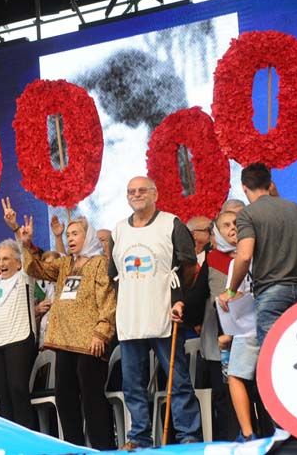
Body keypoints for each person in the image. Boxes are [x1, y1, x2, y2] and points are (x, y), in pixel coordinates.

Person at [110, 176, 201, 449]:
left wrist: (178, 298)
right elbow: (114, 274)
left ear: (155, 193)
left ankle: (187, 435)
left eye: (142, 190)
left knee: (178, 379)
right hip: (130, 318)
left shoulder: (171, 223)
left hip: (164, 314)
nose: (136, 195)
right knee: (132, 384)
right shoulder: (118, 230)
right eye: (131, 191)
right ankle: (138, 437)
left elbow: (189, 266)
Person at [20, 213, 116, 450]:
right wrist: (27, 244)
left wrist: (101, 332)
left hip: (89, 341)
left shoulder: (99, 263)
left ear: (88, 235)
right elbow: (36, 268)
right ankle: (74, 447)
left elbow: (108, 300)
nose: (71, 238)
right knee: (65, 399)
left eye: (76, 234)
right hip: (64, 341)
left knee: (92, 398)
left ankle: (102, 448)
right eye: (68, 235)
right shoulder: (65, 264)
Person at [224, 163, 297, 345]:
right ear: (270, 184)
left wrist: (231, 290)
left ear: (244, 188)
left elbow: (244, 256)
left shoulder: (247, 214)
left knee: (273, 354)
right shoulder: (294, 208)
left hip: (270, 292)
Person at [0, 239, 38, 430]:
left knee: (18, 391)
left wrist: (17, 231)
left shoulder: (25, 277)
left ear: (18, 262)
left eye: (6, 259)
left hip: (19, 339)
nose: (1, 264)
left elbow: (27, 254)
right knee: (2, 395)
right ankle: (9, 442)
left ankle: (27, 441)